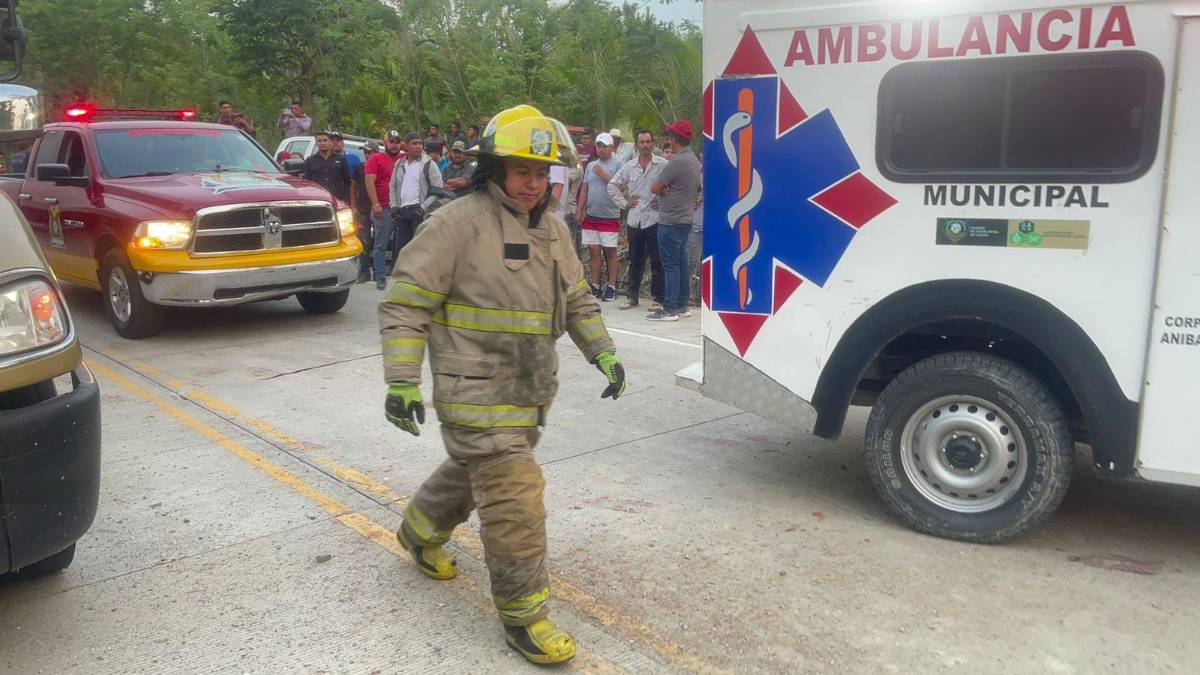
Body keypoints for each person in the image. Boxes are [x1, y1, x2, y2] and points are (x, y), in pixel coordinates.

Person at [379, 103, 624, 666]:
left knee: (474, 470)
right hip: (473, 391)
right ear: (494, 170)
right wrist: (402, 381)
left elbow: (580, 299)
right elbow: (405, 305)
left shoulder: (557, 230)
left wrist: (604, 353)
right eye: (521, 171)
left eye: (542, 173)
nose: (534, 183)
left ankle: (418, 531)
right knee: (515, 495)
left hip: (529, 392)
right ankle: (524, 617)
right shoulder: (456, 225)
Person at [607, 129, 666, 311]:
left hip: (655, 218)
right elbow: (612, 185)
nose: (645, 145)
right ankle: (632, 297)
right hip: (635, 218)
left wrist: (663, 200)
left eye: (648, 141)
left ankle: (659, 298)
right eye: (642, 142)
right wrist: (625, 203)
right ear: (636, 145)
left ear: (653, 144)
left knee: (657, 260)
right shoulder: (629, 166)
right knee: (635, 259)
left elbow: (675, 186)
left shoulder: (663, 165)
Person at [648, 120, 701, 321]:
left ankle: (669, 308)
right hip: (685, 218)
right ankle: (681, 305)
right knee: (680, 262)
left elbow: (655, 187)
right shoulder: (694, 160)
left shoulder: (678, 161)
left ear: (673, 139)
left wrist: (663, 190)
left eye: (669, 136)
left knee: (670, 264)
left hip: (670, 220)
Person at [384, 131, 444, 283]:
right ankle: (403, 280)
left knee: (420, 249)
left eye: (420, 144)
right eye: (414, 144)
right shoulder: (400, 164)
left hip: (420, 212)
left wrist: (423, 207)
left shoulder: (429, 164)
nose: (418, 147)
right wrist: (394, 206)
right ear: (406, 145)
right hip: (403, 212)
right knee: (402, 249)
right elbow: (393, 186)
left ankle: (419, 281)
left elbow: (438, 191)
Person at [574, 132, 623, 301]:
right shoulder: (590, 166)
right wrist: (580, 209)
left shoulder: (618, 165)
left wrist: (605, 176)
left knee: (610, 251)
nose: (600, 149)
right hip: (592, 215)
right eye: (598, 146)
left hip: (609, 215)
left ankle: (611, 286)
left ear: (611, 147)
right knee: (593, 251)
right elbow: (585, 189)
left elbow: (621, 188)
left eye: (604, 146)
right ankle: (595, 285)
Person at [367, 131, 405, 288]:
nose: (394, 144)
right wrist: (375, 204)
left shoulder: (404, 159)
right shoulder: (376, 158)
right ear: (385, 142)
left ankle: (401, 276)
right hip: (383, 207)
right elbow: (369, 182)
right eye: (391, 141)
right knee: (380, 244)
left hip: (403, 208)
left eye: (397, 141)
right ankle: (380, 276)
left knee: (403, 244)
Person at [350, 140, 380, 282]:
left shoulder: (383, 166)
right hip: (363, 210)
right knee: (363, 241)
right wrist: (354, 206)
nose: (367, 155)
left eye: (370, 152)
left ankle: (378, 270)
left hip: (380, 209)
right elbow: (353, 187)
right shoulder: (359, 168)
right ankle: (364, 271)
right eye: (365, 152)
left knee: (378, 241)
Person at [302, 131, 351, 202]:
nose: (322, 143)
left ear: (330, 142)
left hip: (337, 198)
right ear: (316, 143)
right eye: (319, 141)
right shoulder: (310, 160)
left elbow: (347, 181)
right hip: (317, 198)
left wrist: (345, 198)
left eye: (325, 140)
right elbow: (307, 182)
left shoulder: (341, 159)